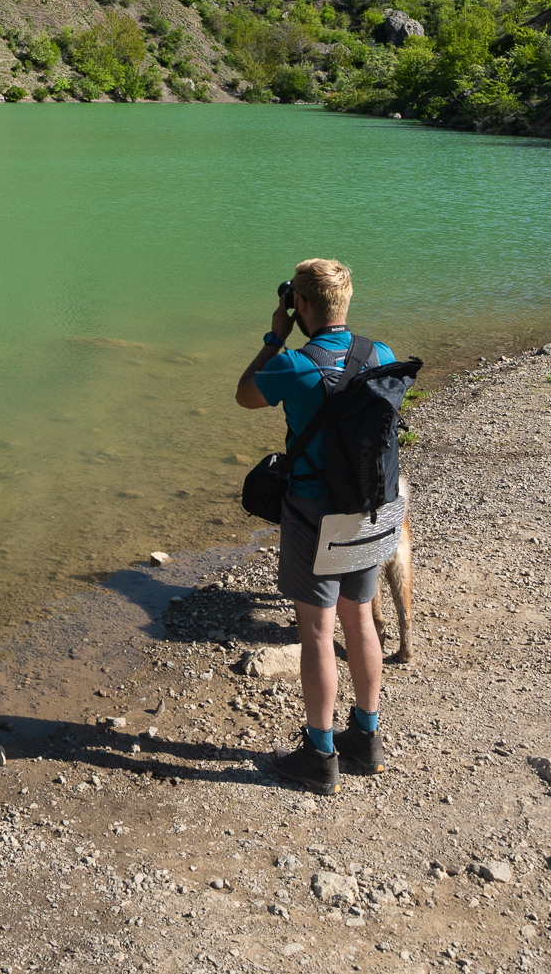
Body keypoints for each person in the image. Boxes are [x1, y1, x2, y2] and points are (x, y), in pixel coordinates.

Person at [234, 256, 401, 795]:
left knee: (318, 633)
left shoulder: (295, 365)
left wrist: (273, 336)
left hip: (315, 517)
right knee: (362, 623)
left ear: (299, 306)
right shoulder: (382, 355)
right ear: (345, 303)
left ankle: (319, 754)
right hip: (373, 511)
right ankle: (366, 738)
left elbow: (244, 393)